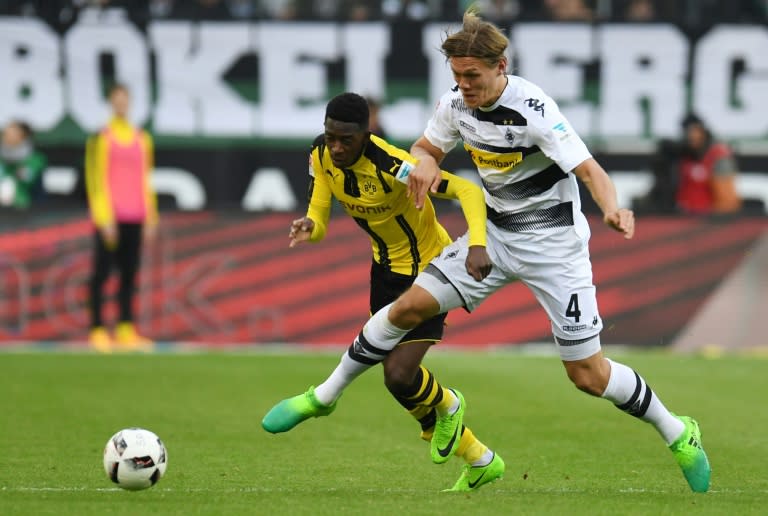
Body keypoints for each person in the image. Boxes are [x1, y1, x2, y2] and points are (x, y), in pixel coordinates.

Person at [264, 8, 711, 494]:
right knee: (408, 306)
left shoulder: (534, 111)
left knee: (587, 374)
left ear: (501, 67)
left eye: (472, 76)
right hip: (497, 236)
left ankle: (676, 430)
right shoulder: (455, 105)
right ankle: (325, 396)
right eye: (456, 76)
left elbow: (589, 171)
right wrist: (424, 164)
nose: (463, 86)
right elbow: (426, 147)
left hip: (555, 248)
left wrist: (612, 210)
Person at [262, 92, 505, 492]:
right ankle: (478, 457)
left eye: (346, 139)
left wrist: (477, 244)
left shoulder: (394, 165)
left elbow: (468, 191)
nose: (336, 147)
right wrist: (310, 227)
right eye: (330, 136)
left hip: (431, 271)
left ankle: (336, 398)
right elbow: (319, 214)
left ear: (365, 133)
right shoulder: (320, 155)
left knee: (398, 373)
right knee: (399, 383)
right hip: (385, 273)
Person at [84, 83, 159, 352]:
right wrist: (104, 218)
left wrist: (150, 215)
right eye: (116, 100)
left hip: (135, 215)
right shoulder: (101, 138)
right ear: (110, 103)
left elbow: (145, 179)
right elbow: (96, 179)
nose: (121, 105)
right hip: (110, 219)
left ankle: (126, 328)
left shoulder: (142, 138)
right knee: (102, 273)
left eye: (125, 100)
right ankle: (97, 329)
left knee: (129, 273)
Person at [636, 113, 742, 215]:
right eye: (687, 132)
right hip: (682, 217)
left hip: (708, 221)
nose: (691, 136)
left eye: (695, 131)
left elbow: (727, 202)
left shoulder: (718, 157)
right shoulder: (682, 156)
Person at [0, 120, 46, 210]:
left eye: (13, 133)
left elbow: (27, 176)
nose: (8, 136)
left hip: (25, 207)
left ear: (23, 136)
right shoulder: (2, 155)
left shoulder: (34, 158)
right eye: (6, 133)